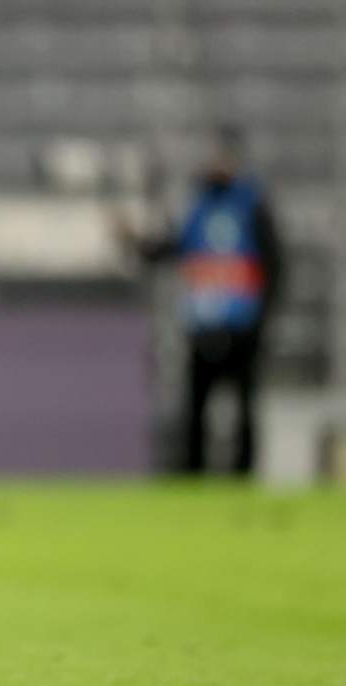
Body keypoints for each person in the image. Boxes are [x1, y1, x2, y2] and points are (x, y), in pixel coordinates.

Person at [114, 126, 282, 475]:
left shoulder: (252, 204)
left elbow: (274, 265)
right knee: (196, 405)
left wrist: (263, 316)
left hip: (242, 325)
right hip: (203, 323)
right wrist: (136, 243)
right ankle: (194, 475)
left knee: (244, 405)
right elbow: (171, 248)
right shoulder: (199, 206)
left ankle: (243, 476)